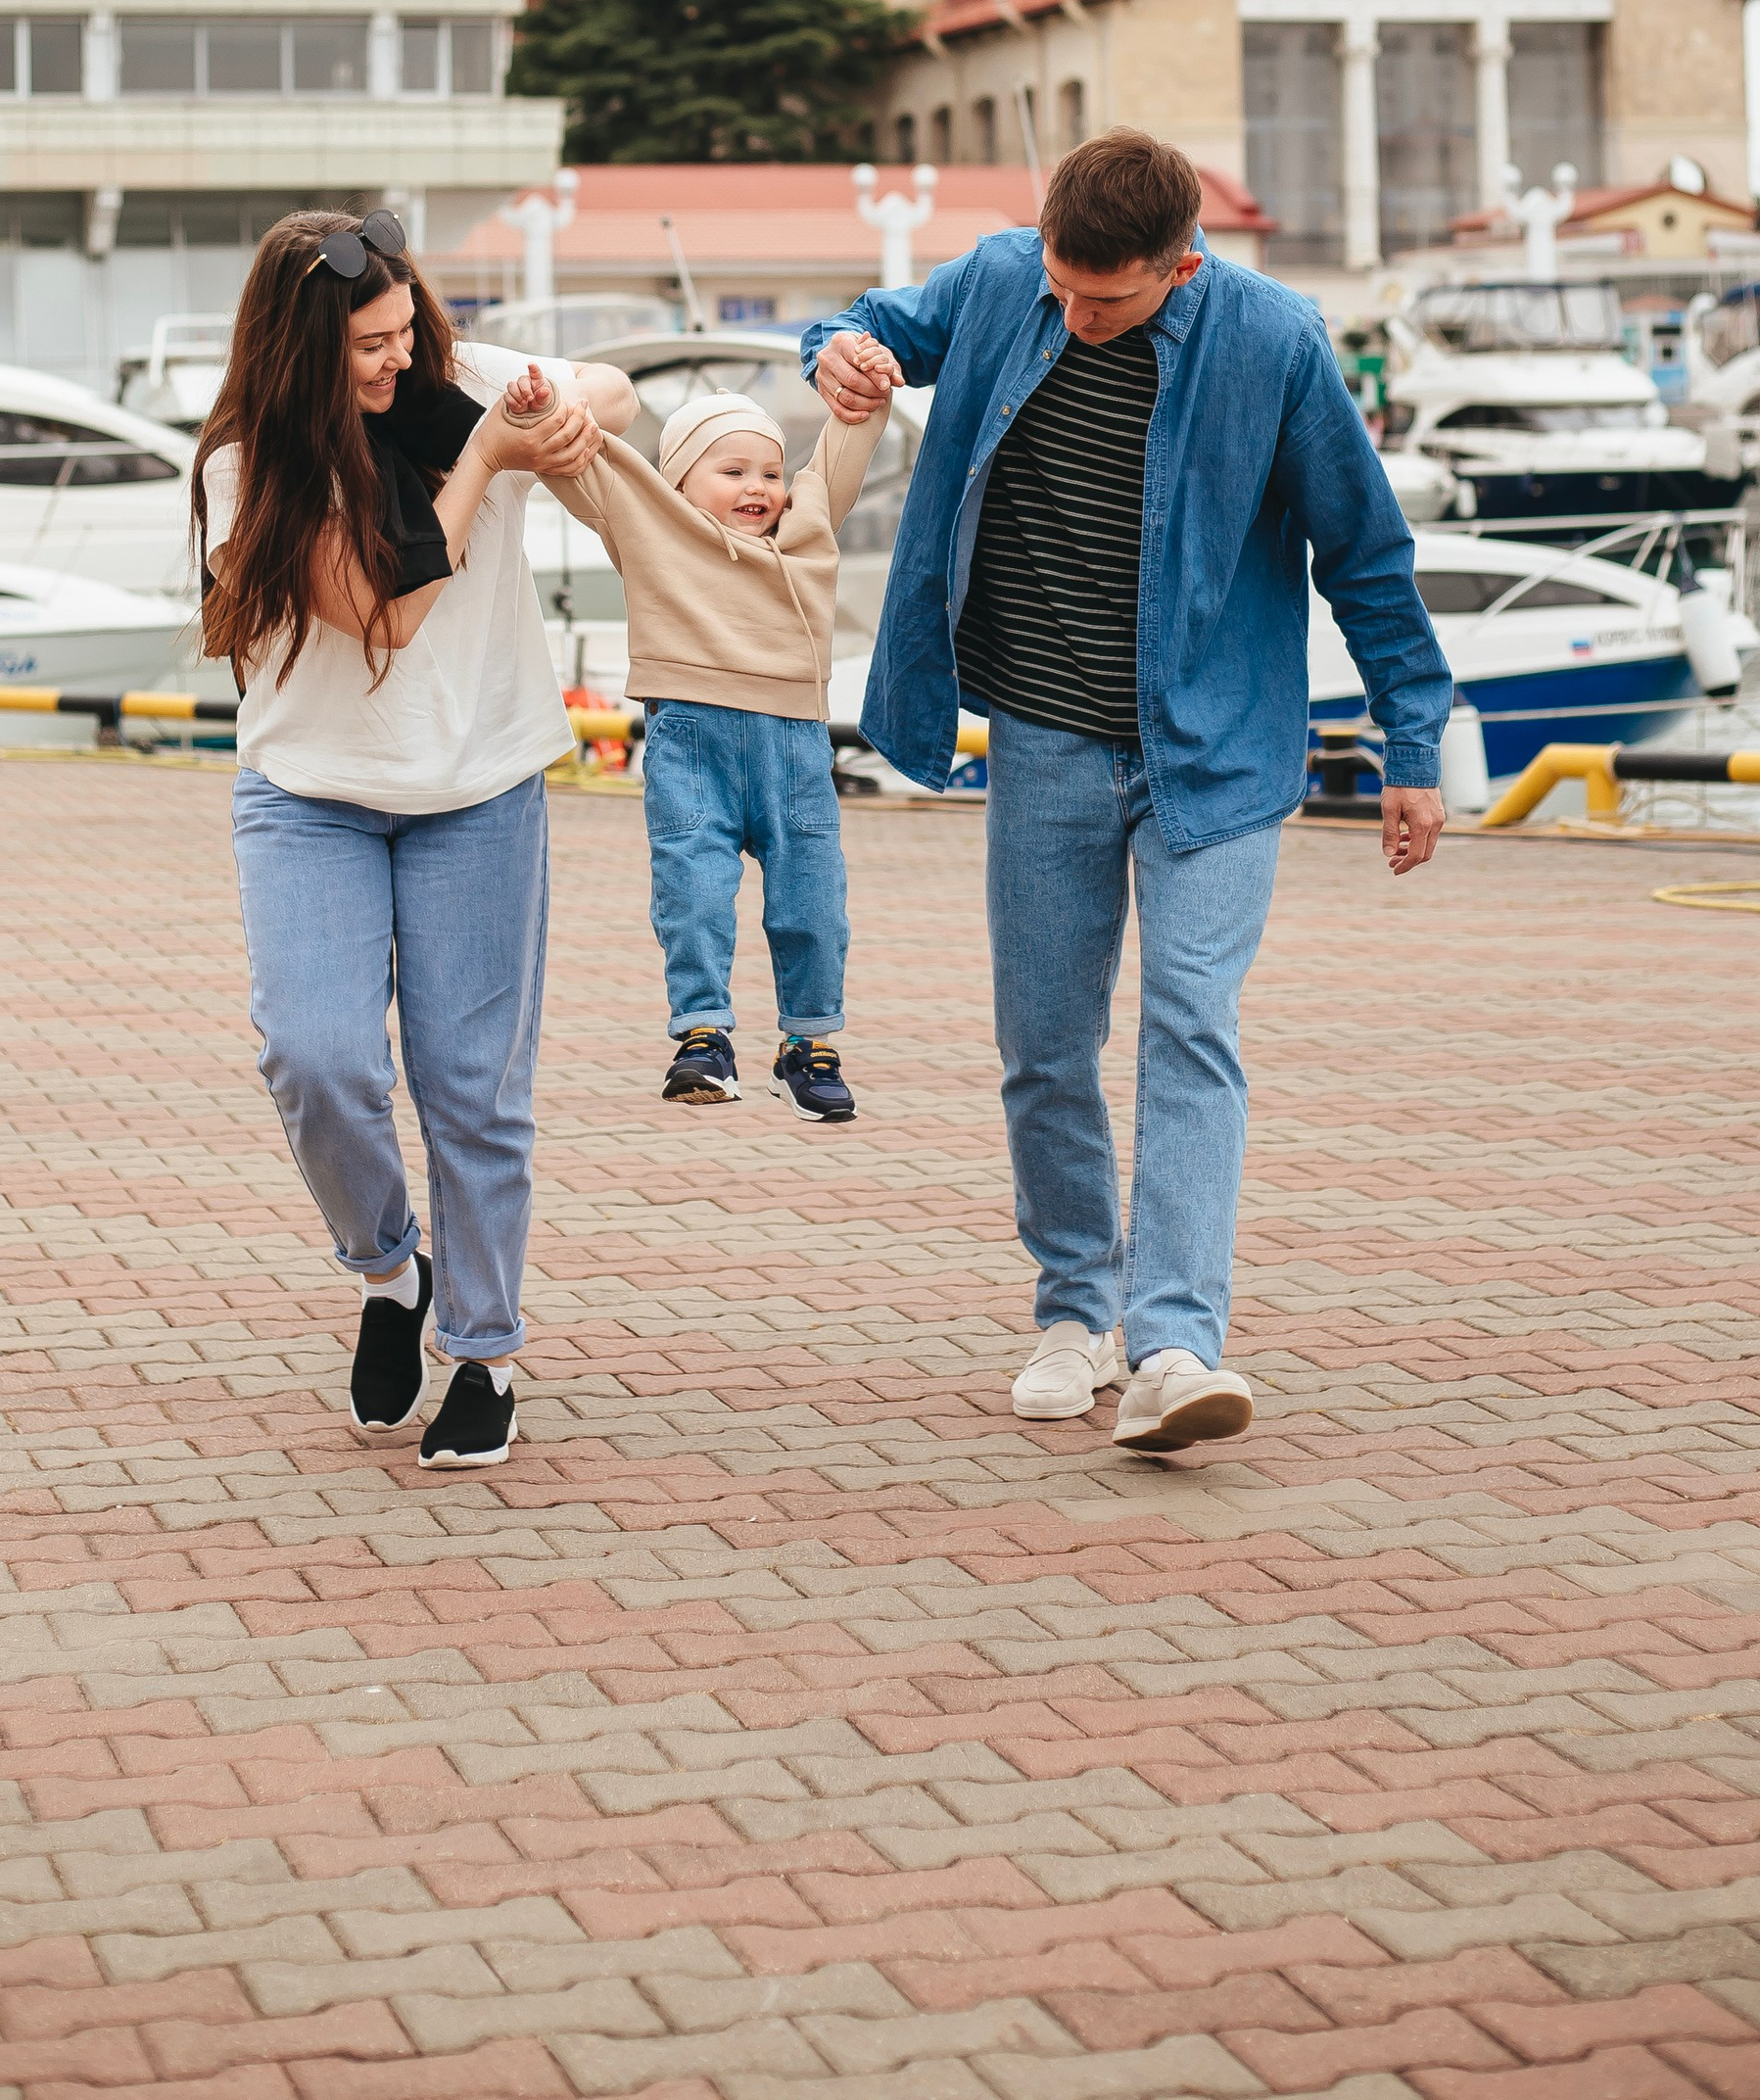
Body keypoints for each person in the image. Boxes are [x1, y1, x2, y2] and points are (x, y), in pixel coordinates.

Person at [804, 130, 1451, 1457]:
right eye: (1063, 285)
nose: (1079, 316)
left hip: (1215, 751)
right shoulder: (1000, 283)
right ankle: (1071, 1312)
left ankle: (1171, 1345)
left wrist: (1415, 743)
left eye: (1111, 298)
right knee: (1044, 1043)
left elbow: (1367, 555)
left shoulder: (1273, 343)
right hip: (1044, 740)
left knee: (1187, 1025)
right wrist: (838, 346)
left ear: (1184, 265)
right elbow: (869, 324)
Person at [195, 207, 636, 1470]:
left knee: (472, 1093)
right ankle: (392, 1269)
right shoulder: (248, 466)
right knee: (315, 1060)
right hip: (311, 796)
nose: (398, 363)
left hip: (482, 789)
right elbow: (379, 603)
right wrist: (490, 461)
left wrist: (561, 402)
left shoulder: (458, 384)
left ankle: (487, 1352)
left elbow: (609, 387)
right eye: (367, 349)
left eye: (404, 334)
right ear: (298, 356)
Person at [534, 366, 899, 1114]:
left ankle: (808, 1044)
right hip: (690, 740)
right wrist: (545, 413)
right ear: (676, 483)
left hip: (794, 746)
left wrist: (868, 384)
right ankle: (703, 1037)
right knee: (692, 893)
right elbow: (579, 466)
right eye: (731, 471)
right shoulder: (650, 525)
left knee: (814, 901)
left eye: (769, 470)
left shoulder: (806, 527)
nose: (757, 486)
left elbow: (849, 438)